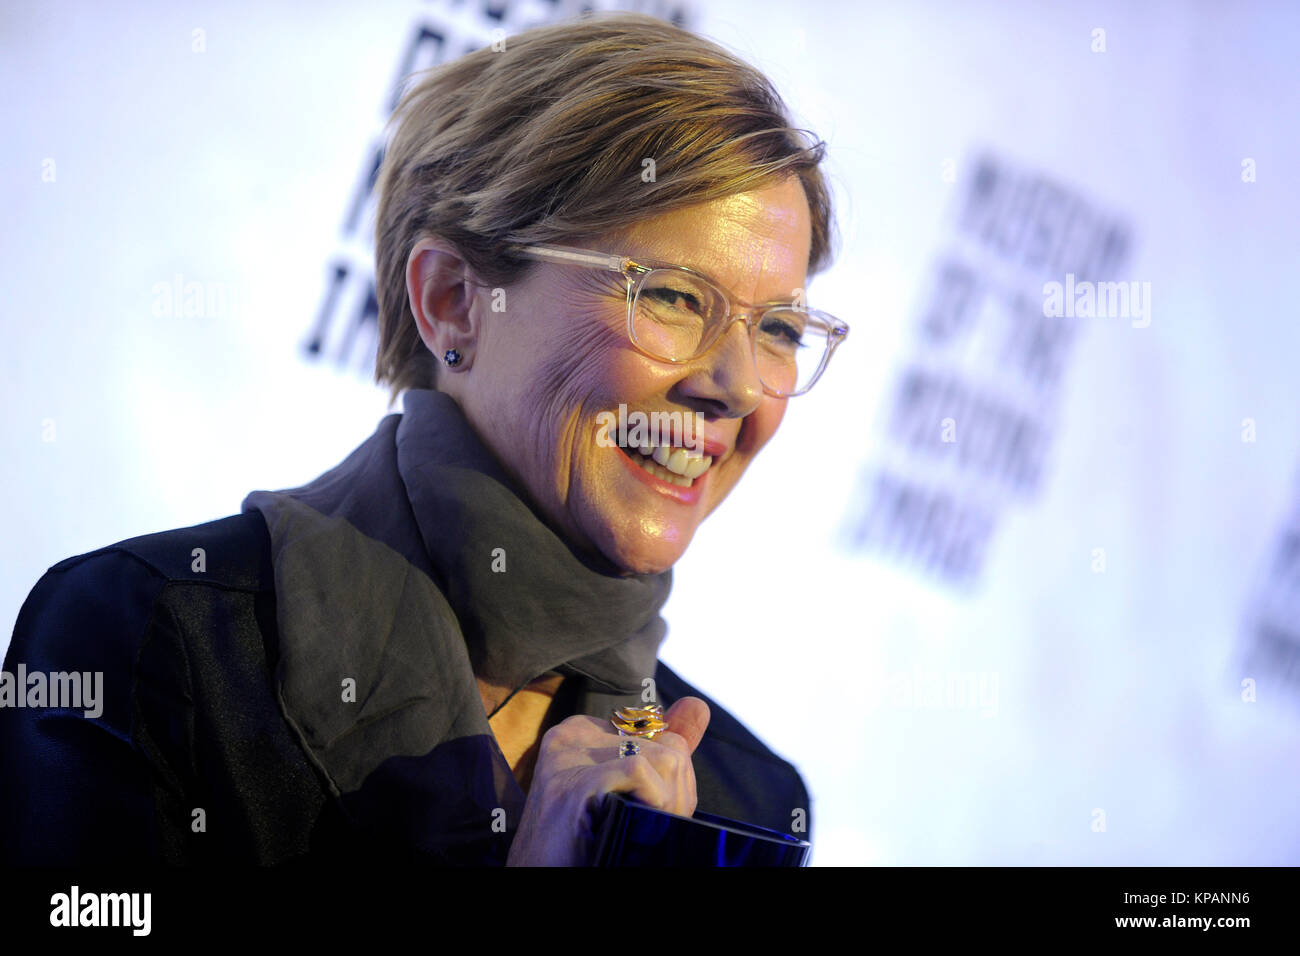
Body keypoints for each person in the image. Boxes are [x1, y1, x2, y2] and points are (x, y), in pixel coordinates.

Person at [0, 12, 847, 866]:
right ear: (452, 299)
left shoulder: (745, 800)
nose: (737, 386)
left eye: (779, 327)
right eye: (672, 297)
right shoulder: (152, 644)